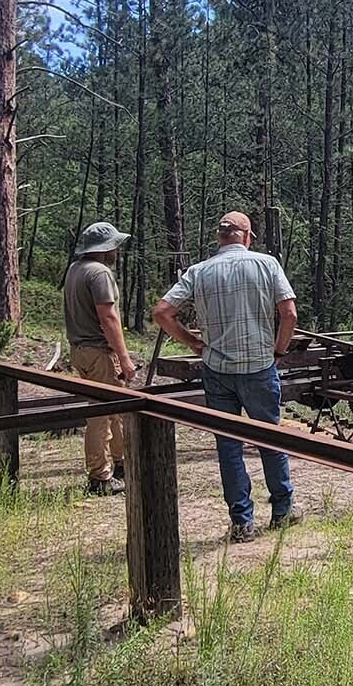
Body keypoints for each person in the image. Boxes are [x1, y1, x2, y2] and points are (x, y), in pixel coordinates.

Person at [152, 211, 301, 543]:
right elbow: (289, 314)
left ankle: (241, 522)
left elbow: (161, 312)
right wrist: (278, 350)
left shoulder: (199, 271)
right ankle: (282, 510)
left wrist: (193, 343)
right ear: (246, 237)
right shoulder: (267, 265)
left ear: (220, 238)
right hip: (259, 366)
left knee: (229, 446)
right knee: (270, 438)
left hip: (218, 370)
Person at [63, 221, 135, 496]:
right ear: (106, 248)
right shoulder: (99, 272)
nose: (117, 250)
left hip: (80, 350)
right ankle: (100, 477)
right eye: (115, 245)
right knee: (101, 415)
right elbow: (109, 317)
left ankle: (121, 464)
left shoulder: (75, 269)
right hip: (99, 352)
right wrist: (124, 359)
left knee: (114, 411)